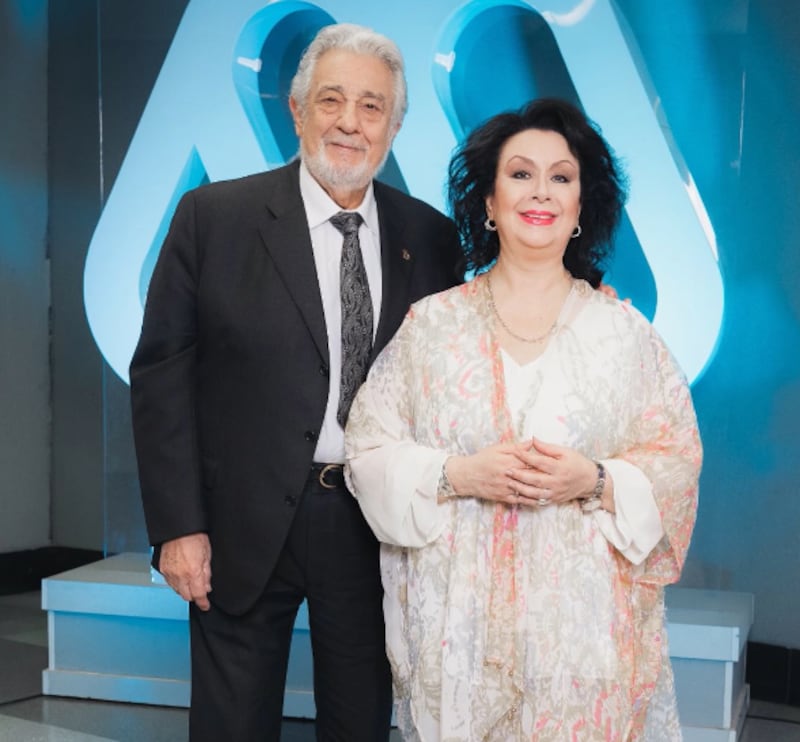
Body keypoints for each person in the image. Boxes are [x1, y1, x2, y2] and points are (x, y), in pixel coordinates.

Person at [129, 23, 461, 742]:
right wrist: (177, 526)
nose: (350, 122)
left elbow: (469, 357)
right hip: (239, 523)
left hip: (373, 527)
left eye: (372, 107)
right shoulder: (212, 218)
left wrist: (589, 297)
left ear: (395, 125)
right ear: (297, 110)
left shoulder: (433, 238)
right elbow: (162, 374)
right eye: (332, 100)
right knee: (232, 727)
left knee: (361, 724)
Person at [345, 98, 702, 741]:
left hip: (586, 648)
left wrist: (594, 480)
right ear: (487, 202)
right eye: (520, 174)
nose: (541, 192)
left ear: (580, 208)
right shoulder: (433, 328)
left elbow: (675, 461)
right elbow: (368, 450)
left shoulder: (624, 336)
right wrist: (456, 474)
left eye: (561, 178)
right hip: (460, 640)